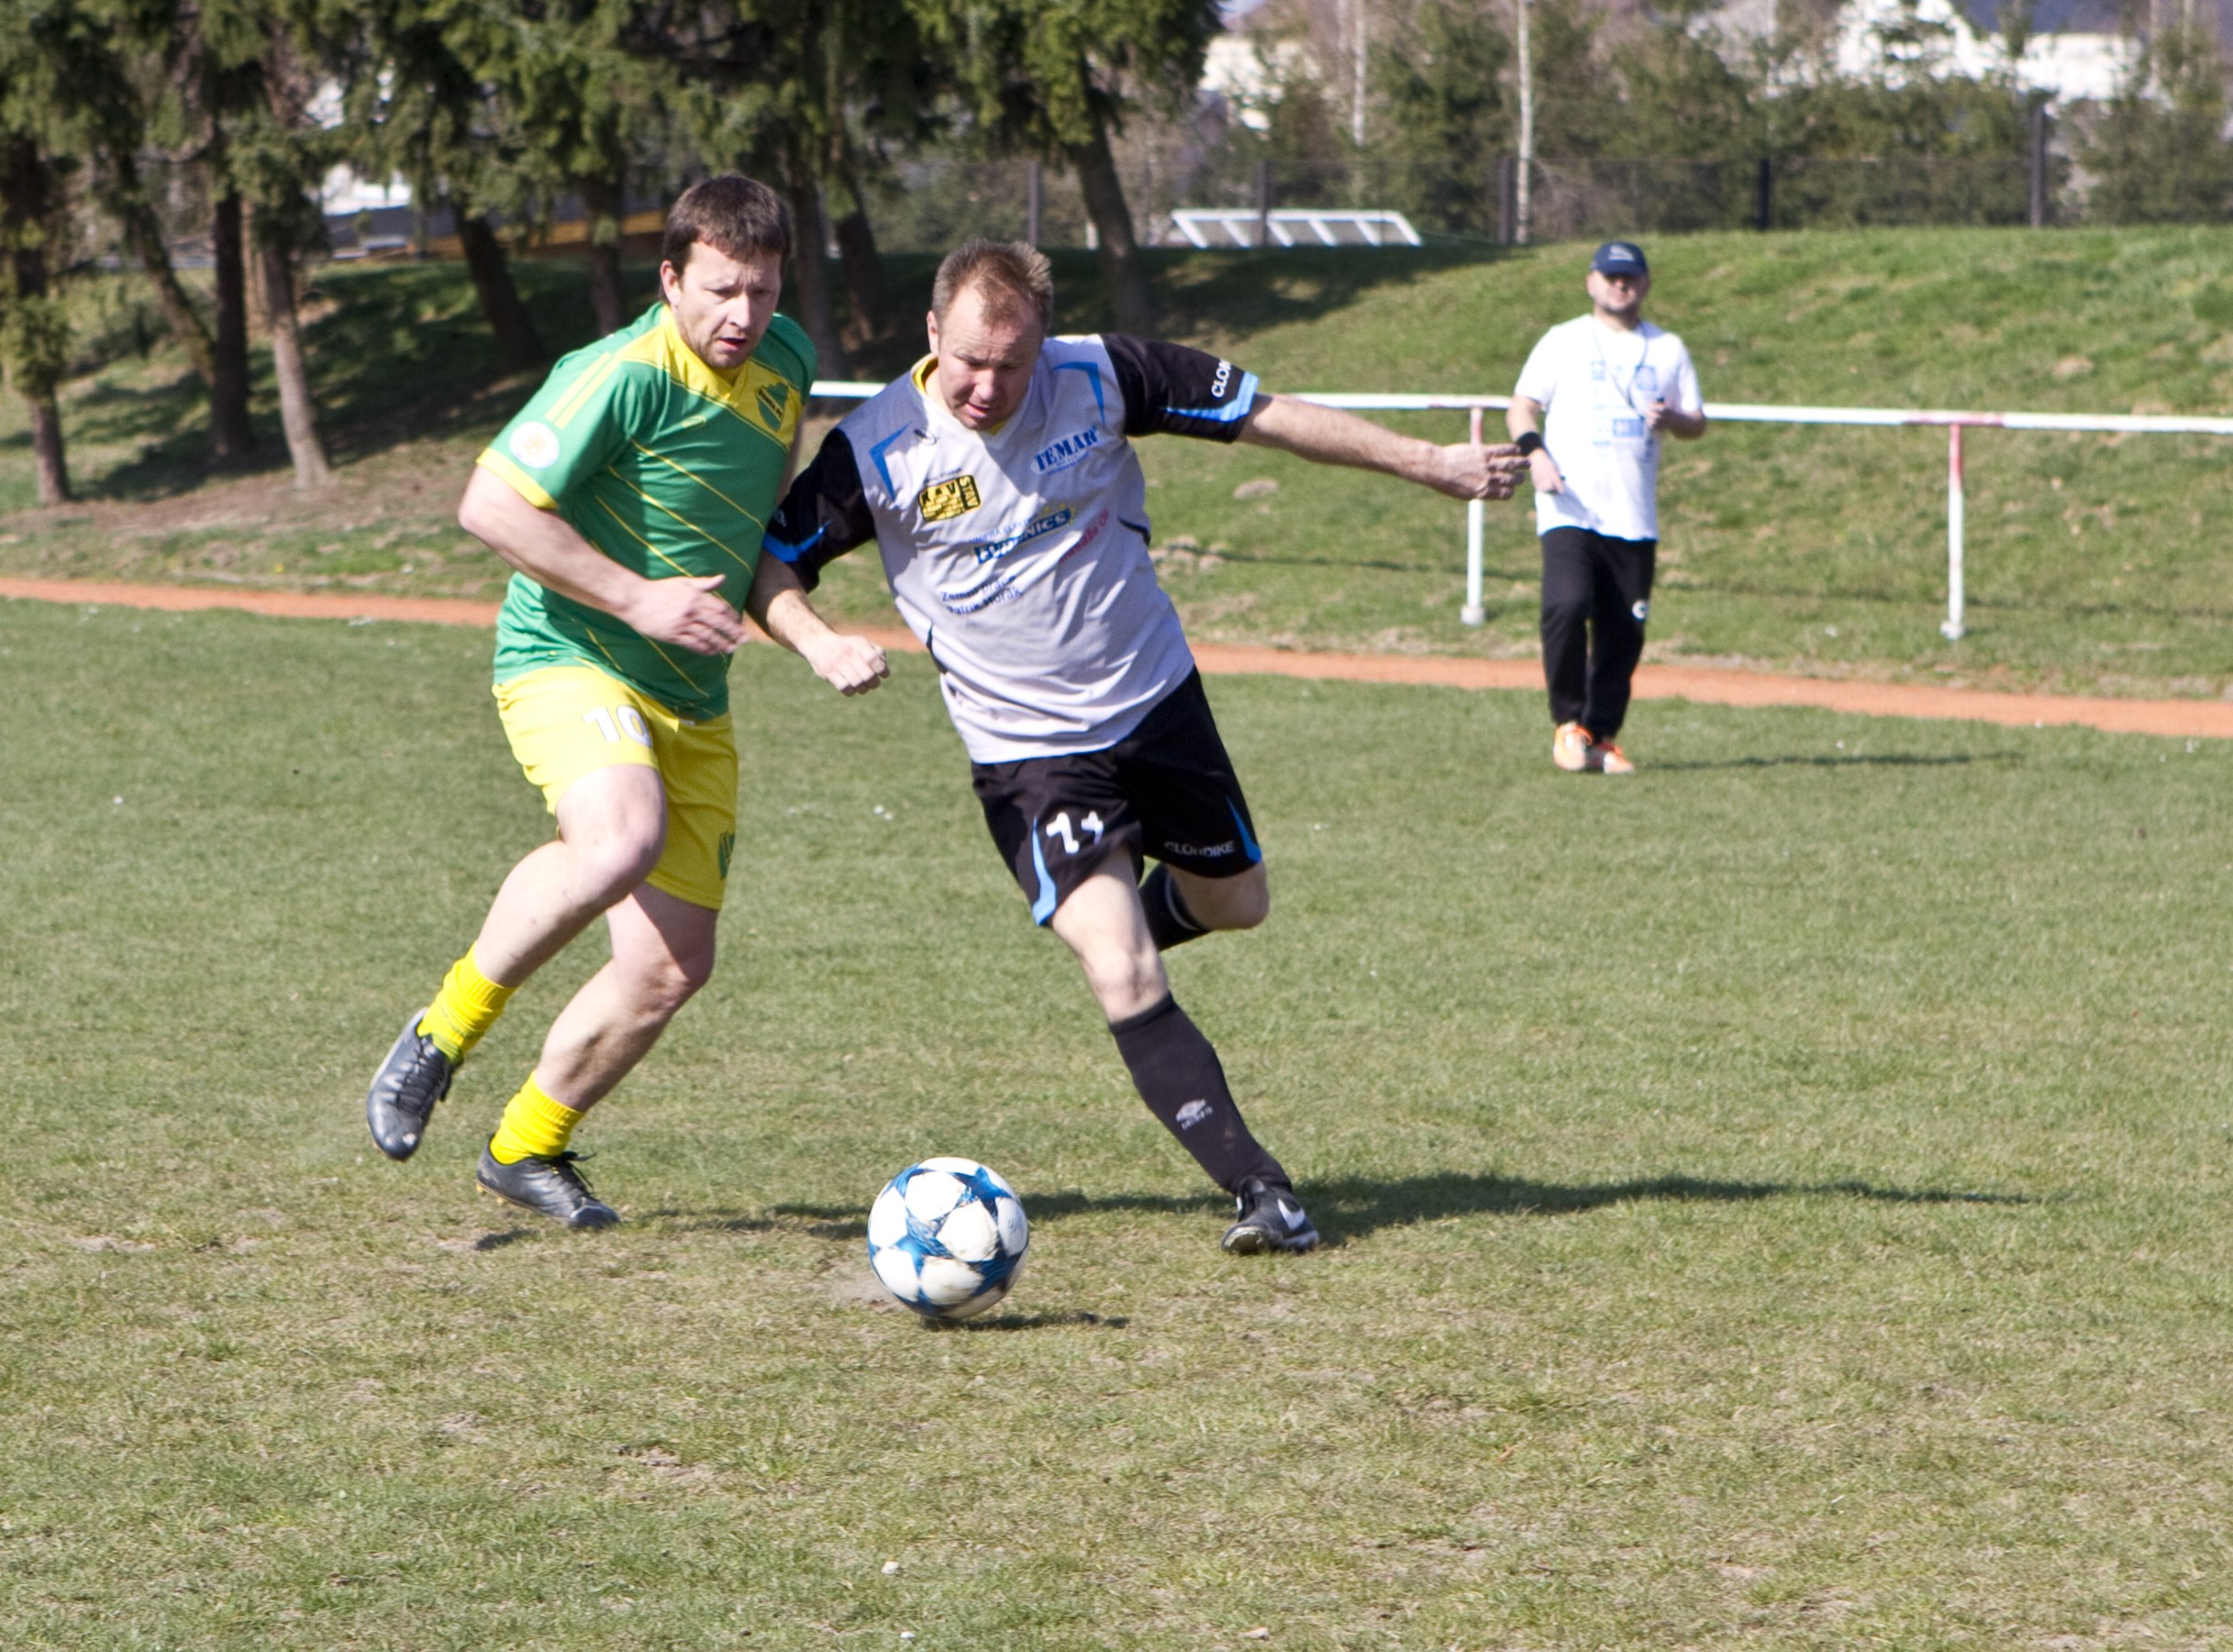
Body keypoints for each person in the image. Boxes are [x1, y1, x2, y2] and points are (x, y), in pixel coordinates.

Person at [744, 239, 1522, 1254]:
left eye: (1010, 365)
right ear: (931, 334)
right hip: (1030, 754)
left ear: (1042, 344)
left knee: (1235, 904)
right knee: (1121, 970)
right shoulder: (879, 447)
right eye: (968, 360)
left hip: (1158, 705)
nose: (986, 387)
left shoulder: (1104, 373)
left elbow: (1269, 415)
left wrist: (1431, 464)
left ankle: (1125, 927)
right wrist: (817, 641)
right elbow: (772, 557)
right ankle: (1261, 1189)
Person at [363, 174, 882, 1228]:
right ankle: (441, 1033)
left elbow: (749, 557)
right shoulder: (620, 373)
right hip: (568, 654)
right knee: (617, 839)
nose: (742, 317)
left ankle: (525, 1148)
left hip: (691, 695)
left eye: (764, 291)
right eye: (720, 290)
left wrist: (817, 641)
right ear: (670, 278)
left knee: (668, 968)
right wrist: (637, 597)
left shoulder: (785, 363)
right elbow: (490, 503)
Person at [1505, 240, 1707, 775]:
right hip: (1570, 505)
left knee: (1623, 633)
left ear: (1645, 283)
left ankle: (1599, 739)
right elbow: (1522, 405)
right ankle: (1567, 724)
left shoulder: (1667, 348)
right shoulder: (1563, 341)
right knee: (1567, 607)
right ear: (1591, 282)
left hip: (1633, 516)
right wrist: (1536, 454)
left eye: (1631, 277)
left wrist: (1673, 421)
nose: (1622, 285)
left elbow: (1697, 421)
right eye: (1612, 276)